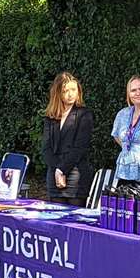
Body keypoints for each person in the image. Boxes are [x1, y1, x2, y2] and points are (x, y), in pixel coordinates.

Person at [41, 71, 93, 204]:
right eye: (66, 91)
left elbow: (80, 147)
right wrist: (57, 170)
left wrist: (61, 169)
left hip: (76, 176)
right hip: (54, 175)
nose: (71, 94)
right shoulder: (50, 117)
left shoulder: (84, 114)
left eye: (73, 90)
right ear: (58, 93)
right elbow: (46, 148)